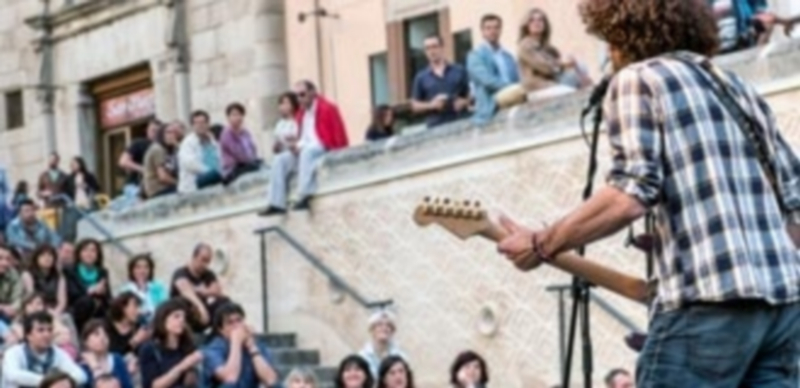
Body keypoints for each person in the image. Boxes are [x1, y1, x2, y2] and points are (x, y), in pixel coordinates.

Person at [498, 0, 800, 386]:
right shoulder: (738, 87)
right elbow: (795, 202)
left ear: (623, 32)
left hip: (705, 304)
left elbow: (629, 194)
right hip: (783, 308)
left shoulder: (639, 78)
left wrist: (541, 243)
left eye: (608, 39)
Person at [260, 80, 349, 215]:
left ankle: (305, 195)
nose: (299, 98)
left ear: (312, 93)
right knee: (280, 160)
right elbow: (303, 137)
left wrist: (301, 146)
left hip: (323, 147)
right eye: (296, 95)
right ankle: (276, 203)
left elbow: (329, 136)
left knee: (307, 152)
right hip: (306, 148)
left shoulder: (326, 108)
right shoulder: (302, 113)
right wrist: (295, 145)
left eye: (302, 94)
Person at [517, 8, 592, 101]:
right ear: (526, 25)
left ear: (545, 25)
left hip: (553, 84)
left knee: (581, 67)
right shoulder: (525, 46)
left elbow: (562, 67)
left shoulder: (549, 48)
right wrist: (562, 64)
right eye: (532, 20)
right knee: (570, 93)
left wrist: (577, 70)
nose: (537, 23)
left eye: (540, 20)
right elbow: (545, 67)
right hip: (537, 88)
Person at [1, 311, 87, 388]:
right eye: (40, 330)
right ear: (28, 335)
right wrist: (49, 382)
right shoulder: (14, 353)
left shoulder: (57, 353)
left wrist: (60, 383)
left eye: (49, 330)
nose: (46, 334)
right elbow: (13, 375)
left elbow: (80, 376)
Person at [202, 302, 278, 388]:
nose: (236, 326)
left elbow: (271, 380)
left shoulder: (257, 345)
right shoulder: (213, 349)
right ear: (221, 330)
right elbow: (230, 378)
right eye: (230, 323)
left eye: (239, 320)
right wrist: (236, 342)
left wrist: (252, 347)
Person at [467, 14, 521, 125]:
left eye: (496, 27)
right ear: (482, 32)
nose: (493, 31)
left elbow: (517, 78)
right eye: (488, 28)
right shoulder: (475, 56)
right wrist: (511, 88)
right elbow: (487, 80)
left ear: (500, 30)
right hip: (490, 110)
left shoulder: (508, 56)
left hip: (514, 107)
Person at [410, 34, 471, 129]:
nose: (431, 51)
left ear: (442, 48)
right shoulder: (421, 77)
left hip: (460, 123)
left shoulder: (459, 70)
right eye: (427, 48)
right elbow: (415, 106)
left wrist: (463, 102)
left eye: (434, 47)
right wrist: (431, 105)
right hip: (436, 127)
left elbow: (472, 95)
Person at [138, 299, 202, 388]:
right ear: (163, 319)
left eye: (183, 317)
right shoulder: (149, 349)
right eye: (176, 316)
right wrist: (183, 366)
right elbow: (153, 385)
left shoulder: (187, 345)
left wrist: (193, 369)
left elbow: (190, 384)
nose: (181, 320)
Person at [170, 243, 228, 331]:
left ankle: (222, 331)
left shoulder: (208, 274)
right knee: (184, 303)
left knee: (224, 301)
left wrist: (202, 291)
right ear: (194, 257)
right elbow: (186, 291)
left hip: (204, 315)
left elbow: (217, 291)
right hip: (186, 315)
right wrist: (201, 309)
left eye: (208, 262)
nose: (205, 265)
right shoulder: (181, 272)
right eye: (203, 260)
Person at [4, 293, 78, 359]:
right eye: (30, 303)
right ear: (25, 306)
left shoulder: (49, 319)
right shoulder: (18, 323)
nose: (34, 307)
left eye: (39, 304)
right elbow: (14, 339)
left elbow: (65, 334)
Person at [64, 239, 111, 332]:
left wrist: (103, 292)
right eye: (85, 250)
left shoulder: (102, 272)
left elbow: (108, 296)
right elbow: (72, 293)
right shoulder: (70, 270)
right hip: (77, 309)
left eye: (93, 251)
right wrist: (91, 290)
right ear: (79, 253)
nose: (89, 254)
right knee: (87, 302)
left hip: (98, 310)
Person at [78, 320, 134, 388]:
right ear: (86, 341)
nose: (102, 338)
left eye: (105, 334)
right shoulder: (82, 368)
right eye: (96, 334)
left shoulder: (117, 359)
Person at [178, 110, 223, 193]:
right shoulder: (188, 143)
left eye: (203, 122)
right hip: (195, 184)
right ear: (192, 126)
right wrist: (210, 172)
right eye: (197, 123)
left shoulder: (213, 141)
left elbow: (220, 158)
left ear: (208, 124)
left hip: (214, 181)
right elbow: (191, 164)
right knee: (215, 175)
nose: (200, 126)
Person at [219, 102, 261, 186]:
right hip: (234, 167)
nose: (237, 117)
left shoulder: (245, 132)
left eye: (239, 114)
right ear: (228, 117)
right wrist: (249, 160)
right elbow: (236, 153)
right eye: (234, 115)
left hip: (248, 164)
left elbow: (253, 148)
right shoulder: (227, 134)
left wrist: (253, 159)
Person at [117, 254, 168, 321]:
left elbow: (165, 307)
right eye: (138, 267)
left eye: (146, 267)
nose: (142, 271)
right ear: (132, 270)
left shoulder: (158, 287)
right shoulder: (125, 290)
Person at [22, 245, 67, 315]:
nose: (47, 258)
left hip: (54, 309)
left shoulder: (59, 277)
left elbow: (62, 302)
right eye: (43, 255)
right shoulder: (28, 275)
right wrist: (45, 311)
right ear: (36, 258)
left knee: (66, 317)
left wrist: (56, 312)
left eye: (50, 255)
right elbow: (31, 297)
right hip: (35, 309)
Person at [359, 310, 405, 378]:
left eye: (388, 325)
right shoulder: (363, 357)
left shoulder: (400, 356)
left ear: (392, 331)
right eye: (379, 325)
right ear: (372, 330)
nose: (384, 328)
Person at [143, 122, 183, 199]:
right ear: (161, 134)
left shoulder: (171, 149)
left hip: (167, 187)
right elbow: (163, 177)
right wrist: (179, 183)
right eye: (168, 132)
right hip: (158, 189)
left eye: (173, 133)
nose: (171, 135)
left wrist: (177, 145)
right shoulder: (157, 149)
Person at [104, 292, 150, 357]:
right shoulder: (107, 326)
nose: (139, 311)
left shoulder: (139, 325)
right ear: (123, 308)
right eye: (135, 307)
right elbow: (113, 355)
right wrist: (134, 341)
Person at [0, 242, 23, 323]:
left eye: (8, 259)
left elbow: (18, 297)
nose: (4, 263)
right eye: (0, 258)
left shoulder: (13, 273)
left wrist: (13, 308)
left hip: (7, 313)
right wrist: (2, 307)